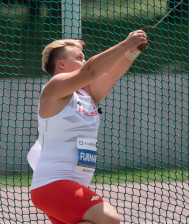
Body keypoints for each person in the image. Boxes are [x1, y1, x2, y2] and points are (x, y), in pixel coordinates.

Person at [27, 30, 148, 224]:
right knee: (110, 219)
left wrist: (131, 52)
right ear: (61, 64)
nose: (83, 61)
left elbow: (111, 74)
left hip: (70, 186)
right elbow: (90, 71)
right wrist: (126, 43)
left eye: (84, 58)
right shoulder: (54, 86)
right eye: (79, 57)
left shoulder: (87, 96)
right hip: (53, 184)